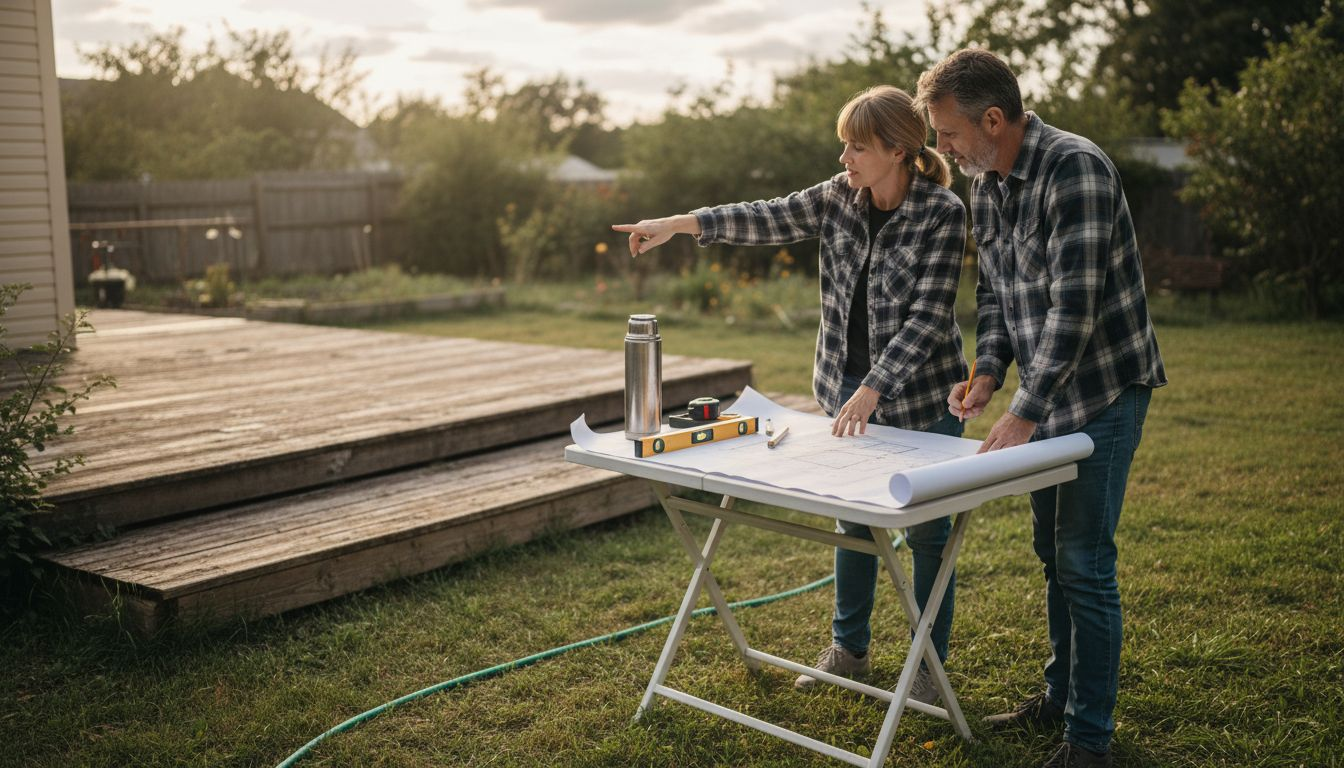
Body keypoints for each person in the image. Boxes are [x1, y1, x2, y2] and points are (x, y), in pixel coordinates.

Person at [613, 85, 969, 704]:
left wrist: (875, 387)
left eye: (856, 147)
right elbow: (764, 216)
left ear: (896, 149)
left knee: (929, 537)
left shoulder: (942, 212)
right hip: (843, 394)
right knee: (853, 525)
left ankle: (929, 671)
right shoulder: (837, 200)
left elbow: (930, 318)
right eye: (844, 147)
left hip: (922, 404)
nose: (845, 160)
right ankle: (849, 650)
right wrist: (675, 224)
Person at [917, 49, 1167, 768]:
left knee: (1084, 562)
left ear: (994, 119)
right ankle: (1058, 697)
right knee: (1052, 556)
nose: (943, 149)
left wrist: (1023, 410)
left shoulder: (1074, 169)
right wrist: (989, 372)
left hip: (1103, 392)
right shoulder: (985, 181)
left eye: (948, 134)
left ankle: (1090, 741)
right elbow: (997, 293)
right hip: (1042, 398)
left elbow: (1074, 308)